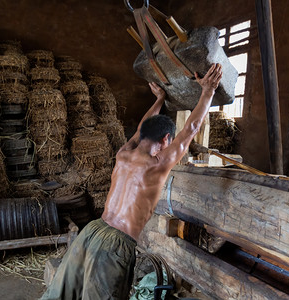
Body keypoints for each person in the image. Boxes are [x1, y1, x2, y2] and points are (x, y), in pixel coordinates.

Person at [41, 63, 223, 300]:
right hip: (115, 244)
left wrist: (159, 99)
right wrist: (208, 91)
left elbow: (139, 129)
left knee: (61, 295)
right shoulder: (157, 164)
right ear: (166, 138)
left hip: (93, 230)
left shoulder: (124, 153)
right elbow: (191, 129)